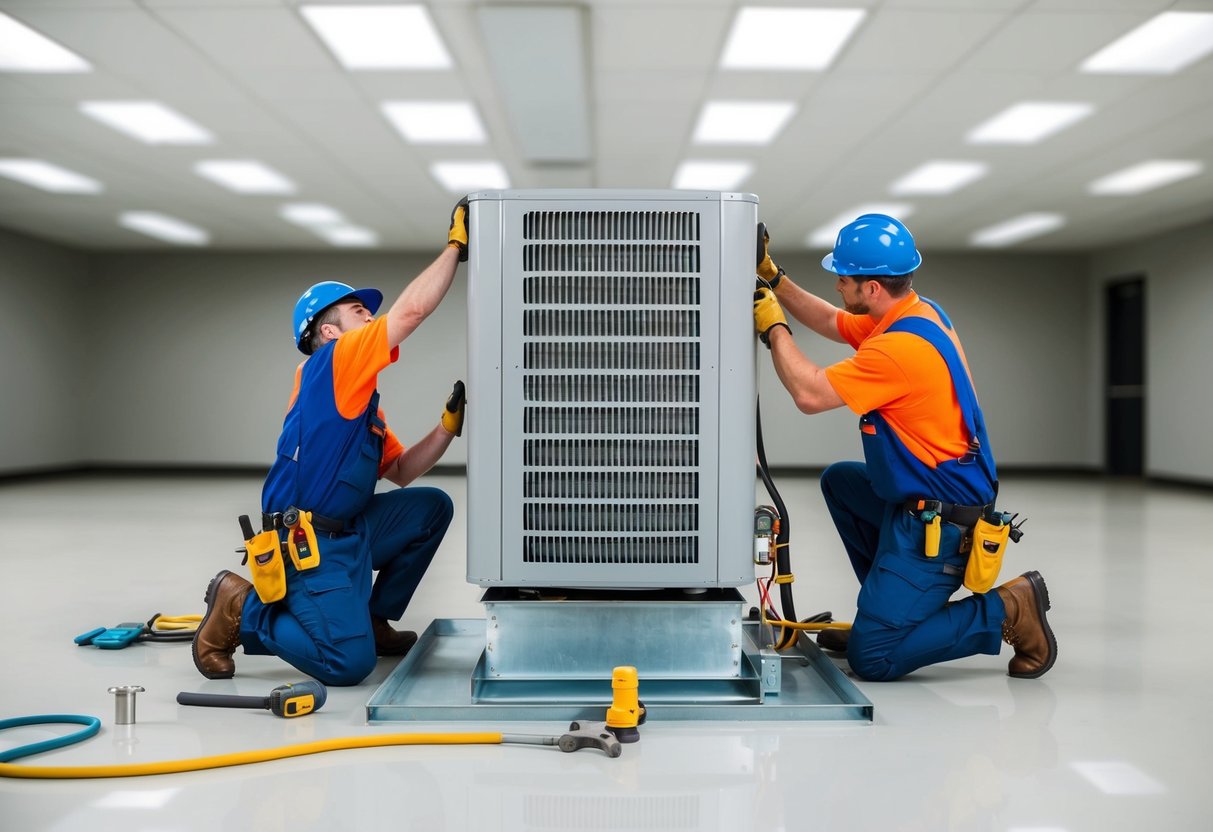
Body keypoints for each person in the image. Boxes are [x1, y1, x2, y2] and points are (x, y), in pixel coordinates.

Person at [751, 213, 1056, 681]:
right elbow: (834, 322)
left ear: (872, 288)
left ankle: (1008, 608)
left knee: (873, 659)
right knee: (842, 482)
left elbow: (809, 394)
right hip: (924, 499)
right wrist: (775, 278)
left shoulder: (898, 350)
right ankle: (890, 614)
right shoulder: (915, 312)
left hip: (942, 524)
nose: (837, 285)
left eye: (844, 279)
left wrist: (775, 329)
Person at [191, 199, 471, 686]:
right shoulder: (335, 361)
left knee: (430, 507)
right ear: (329, 330)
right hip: (307, 545)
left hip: (351, 532)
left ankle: (372, 620)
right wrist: (454, 247)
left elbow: (402, 471)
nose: (371, 318)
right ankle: (243, 604)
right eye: (359, 311)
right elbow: (413, 310)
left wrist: (447, 426)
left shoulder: (359, 405)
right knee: (348, 666)